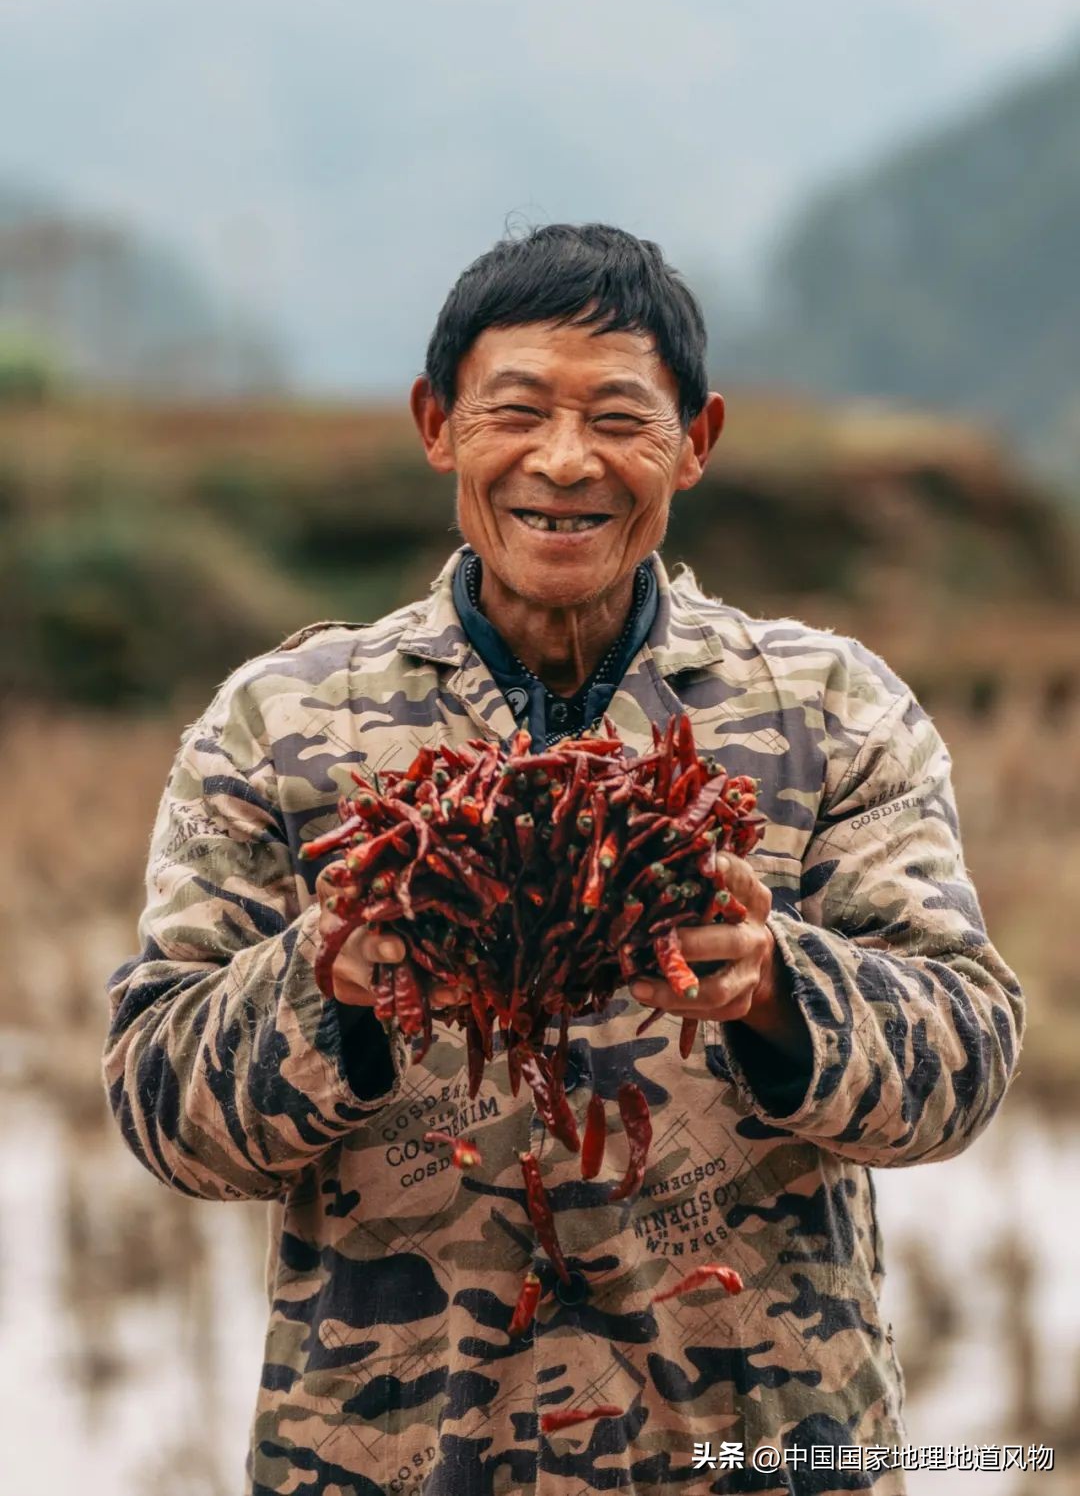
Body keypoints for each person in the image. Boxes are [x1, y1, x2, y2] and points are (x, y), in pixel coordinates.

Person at [103, 223, 1024, 1496]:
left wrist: (775, 984)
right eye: (517, 410)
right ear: (439, 423)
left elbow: (965, 1059)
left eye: (619, 418)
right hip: (394, 1461)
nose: (565, 460)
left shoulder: (829, 713)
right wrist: (333, 984)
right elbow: (160, 1106)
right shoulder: (281, 726)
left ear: (695, 443)